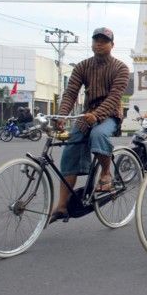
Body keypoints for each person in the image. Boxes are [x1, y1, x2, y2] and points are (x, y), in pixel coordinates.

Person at [49, 27, 129, 223]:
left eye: (104, 40)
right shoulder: (82, 66)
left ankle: (106, 172)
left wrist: (98, 114)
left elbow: (115, 96)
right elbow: (70, 93)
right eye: (96, 40)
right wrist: (61, 116)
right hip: (86, 116)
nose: (99, 43)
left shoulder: (121, 68)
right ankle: (61, 205)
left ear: (112, 44)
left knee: (98, 135)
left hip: (110, 114)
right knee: (70, 151)